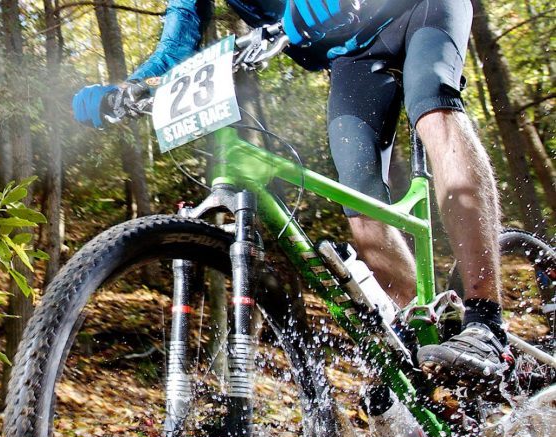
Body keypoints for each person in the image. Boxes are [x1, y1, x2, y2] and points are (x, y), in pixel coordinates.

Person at [72, 0, 510, 385]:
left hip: (419, 8)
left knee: (433, 107)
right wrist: (128, 89)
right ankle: (424, 338)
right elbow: (177, 42)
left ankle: (485, 321)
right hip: (352, 54)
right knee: (359, 201)